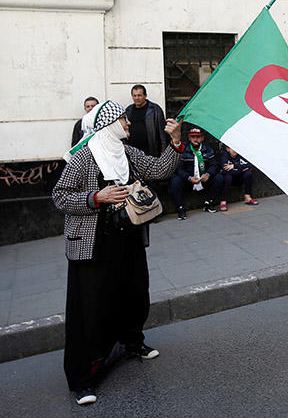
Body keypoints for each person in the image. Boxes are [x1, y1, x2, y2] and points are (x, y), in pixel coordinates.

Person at [53, 100, 183, 405]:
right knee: (92, 306)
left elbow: (159, 168)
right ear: (108, 124)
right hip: (94, 244)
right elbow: (60, 196)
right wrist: (96, 196)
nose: (128, 123)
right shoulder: (85, 157)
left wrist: (176, 141)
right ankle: (84, 377)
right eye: (123, 120)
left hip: (128, 238)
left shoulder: (126, 153)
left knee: (134, 293)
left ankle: (131, 342)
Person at [170, 127, 223, 219]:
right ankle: (180, 208)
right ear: (189, 138)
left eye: (198, 137)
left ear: (202, 138)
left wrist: (207, 174)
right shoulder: (183, 150)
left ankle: (208, 203)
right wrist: (189, 178)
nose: (195, 139)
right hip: (189, 181)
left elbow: (214, 165)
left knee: (219, 178)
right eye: (193, 137)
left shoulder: (208, 150)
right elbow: (179, 169)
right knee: (175, 181)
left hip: (203, 180)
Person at [125, 85, 169, 157]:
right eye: (134, 95)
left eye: (139, 95)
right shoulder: (129, 110)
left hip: (151, 152)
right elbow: (124, 128)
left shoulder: (155, 109)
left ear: (145, 96)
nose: (136, 98)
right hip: (133, 152)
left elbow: (162, 131)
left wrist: (163, 150)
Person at [219, 145, 257, 211]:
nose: (234, 150)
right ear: (228, 149)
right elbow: (225, 171)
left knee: (248, 173)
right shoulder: (225, 155)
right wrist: (241, 169)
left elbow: (250, 164)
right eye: (232, 148)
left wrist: (234, 166)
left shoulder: (240, 155)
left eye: (236, 147)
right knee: (228, 177)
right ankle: (223, 202)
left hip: (239, 178)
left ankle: (247, 198)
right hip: (229, 179)